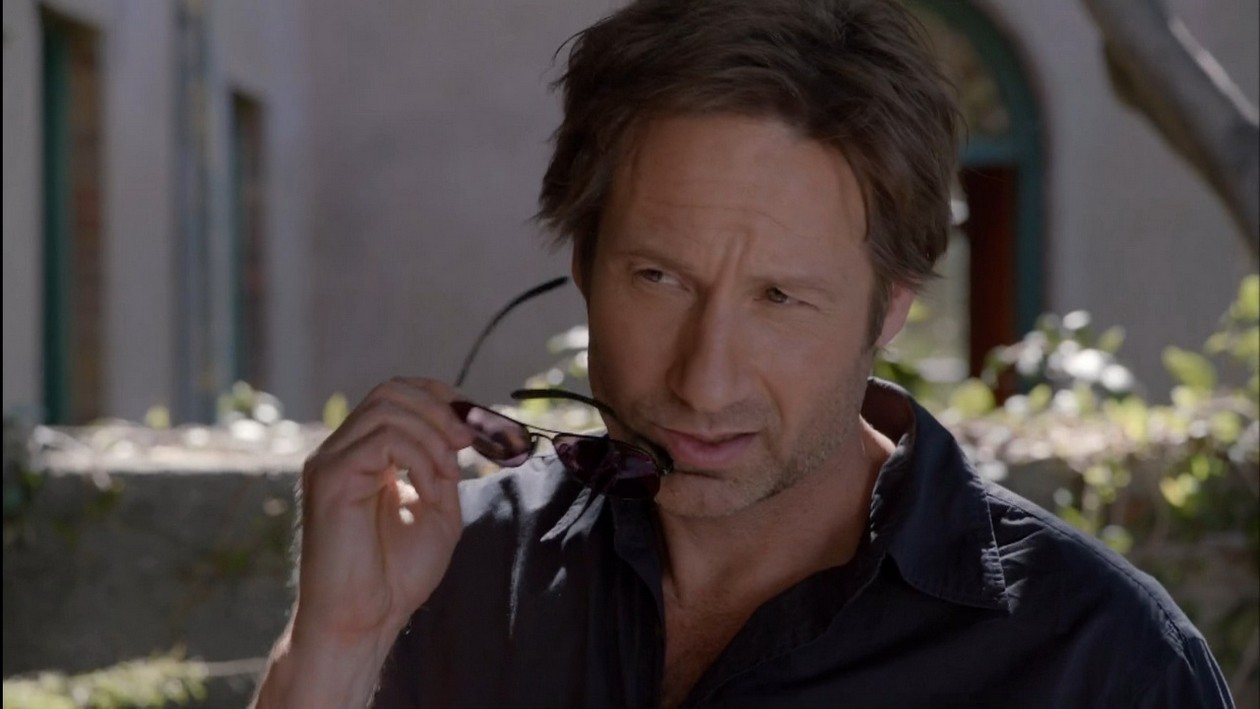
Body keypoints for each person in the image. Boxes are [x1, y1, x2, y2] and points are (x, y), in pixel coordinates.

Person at [253, 1, 1235, 707]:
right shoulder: (445, 573)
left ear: (889, 309)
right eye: (659, 278)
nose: (703, 381)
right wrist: (337, 646)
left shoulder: (1101, 661)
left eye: (780, 298)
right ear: (583, 263)